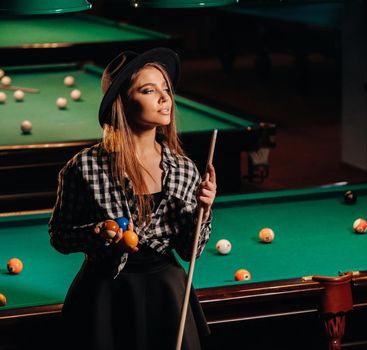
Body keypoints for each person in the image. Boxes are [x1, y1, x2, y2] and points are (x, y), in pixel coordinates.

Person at [49, 47, 217, 350]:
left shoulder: (184, 169)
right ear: (121, 102)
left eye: (166, 89)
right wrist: (95, 232)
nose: (165, 98)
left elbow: (191, 250)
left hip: (168, 291)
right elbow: (60, 237)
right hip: (106, 294)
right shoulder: (83, 167)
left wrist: (203, 211)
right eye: (149, 90)